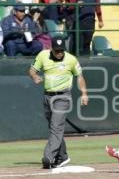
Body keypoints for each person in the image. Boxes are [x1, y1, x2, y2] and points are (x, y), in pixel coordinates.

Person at [28, 36, 89, 169]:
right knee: (54, 128)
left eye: (62, 50)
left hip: (63, 97)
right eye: (57, 50)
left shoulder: (71, 59)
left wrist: (84, 93)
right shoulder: (43, 55)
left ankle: (48, 157)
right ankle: (62, 157)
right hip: (47, 96)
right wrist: (34, 76)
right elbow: (32, 70)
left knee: (56, 127)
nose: (59, 53)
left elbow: (79, 76)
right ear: (51, 48)